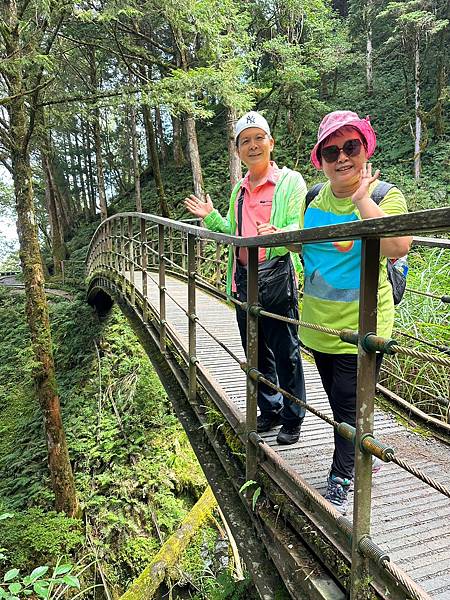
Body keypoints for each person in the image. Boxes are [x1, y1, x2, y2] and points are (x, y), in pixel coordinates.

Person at [300, 110, 412, 513]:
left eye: (351, 147)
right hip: (317, 325)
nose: (342, 157)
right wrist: (282, 237)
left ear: (365, 148)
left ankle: (342, 476)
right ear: (321, 159)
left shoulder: (384, 195)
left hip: (362, 326)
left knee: (347, 403)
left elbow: (398, 245)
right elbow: (307, 246)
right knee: (338, 402)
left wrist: (362, 198)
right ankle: (359, 449)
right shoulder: (313, 196)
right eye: (332, 150)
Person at [184, 111, 307, 445]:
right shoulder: (239, 189)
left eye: (258, 138)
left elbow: (301, 226)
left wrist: (279, 233)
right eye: (245, 141)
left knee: (286, 350)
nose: (252, 146)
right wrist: (211, 217)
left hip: (276, 276)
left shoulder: (289, 182)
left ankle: (294, 417)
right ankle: (270, 409)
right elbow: (232, 232)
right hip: (242, 278)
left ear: (271, 142)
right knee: (255, 351)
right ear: (238, 149)